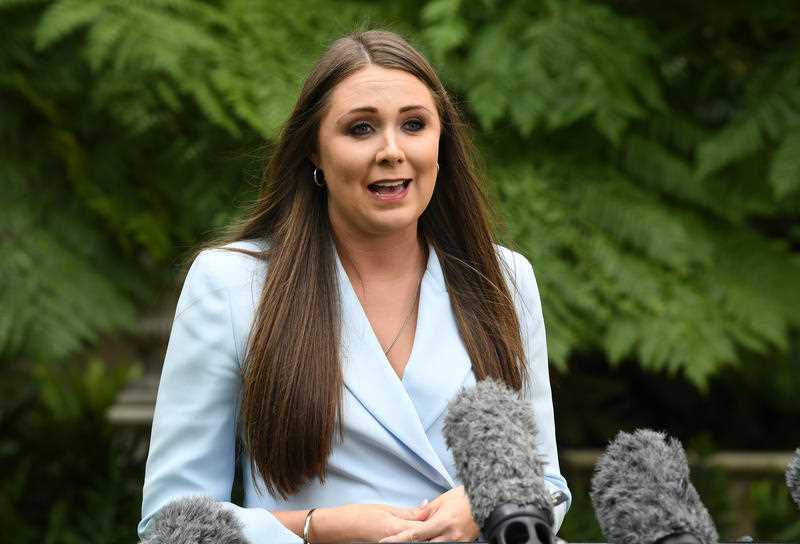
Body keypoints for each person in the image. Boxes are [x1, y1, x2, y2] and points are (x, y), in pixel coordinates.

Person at [138, 29, 571, 543]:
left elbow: (546, 482)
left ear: (441, 142)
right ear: (314, 151)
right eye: (361, 129)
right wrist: (315, 529)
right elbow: (170, 522)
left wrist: (491, 501)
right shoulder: (231, 284)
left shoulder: (503, 277)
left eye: (414, 124)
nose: (391, 150)